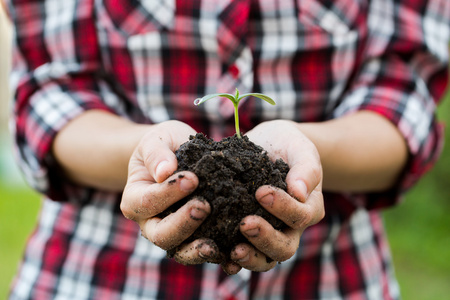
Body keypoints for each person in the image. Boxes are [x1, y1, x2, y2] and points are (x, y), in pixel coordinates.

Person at [5, 0, 449, 299]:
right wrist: (146, 155)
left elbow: (401, 100)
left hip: (329, 276)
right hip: (99, 276)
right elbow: (52, 92)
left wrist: (308, 151)